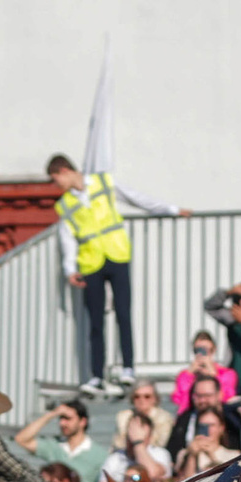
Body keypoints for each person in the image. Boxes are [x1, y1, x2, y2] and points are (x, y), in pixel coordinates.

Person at [49, 152, 186, 393]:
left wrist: (171, 209)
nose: (55, 185)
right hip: (91, 263)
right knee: (95, 322)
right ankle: (96, 376)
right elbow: (67, 239)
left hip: (117, 255)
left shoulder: (103, 182)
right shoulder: (65, 205)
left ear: (64, 171)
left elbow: (137, 199)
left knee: (123, 313)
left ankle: (127, 368)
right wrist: (70, 269)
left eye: (54, 179)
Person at [13, 399, 111, 482]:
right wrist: (52, 414)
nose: (62, 423)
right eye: (60, 418)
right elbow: (21, 439)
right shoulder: (54, 446)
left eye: (67, 418)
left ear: (83, 421)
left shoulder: (100, 455)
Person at [173, 331, 238, 411]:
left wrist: (213, 375)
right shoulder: (185, 375)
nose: (202, 354)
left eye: (206, 350)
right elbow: (179, 401)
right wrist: (189, 375)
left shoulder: (227, 373)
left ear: (213, 350)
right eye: (198, 350)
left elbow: (227, 398)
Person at [118, 378, 174, 451]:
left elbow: (161, 444)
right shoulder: (123, 417)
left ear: (155, 399)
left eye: (147, 397)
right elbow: (119, 443)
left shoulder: (164, 418)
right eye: (137, 397)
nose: (142, 400)